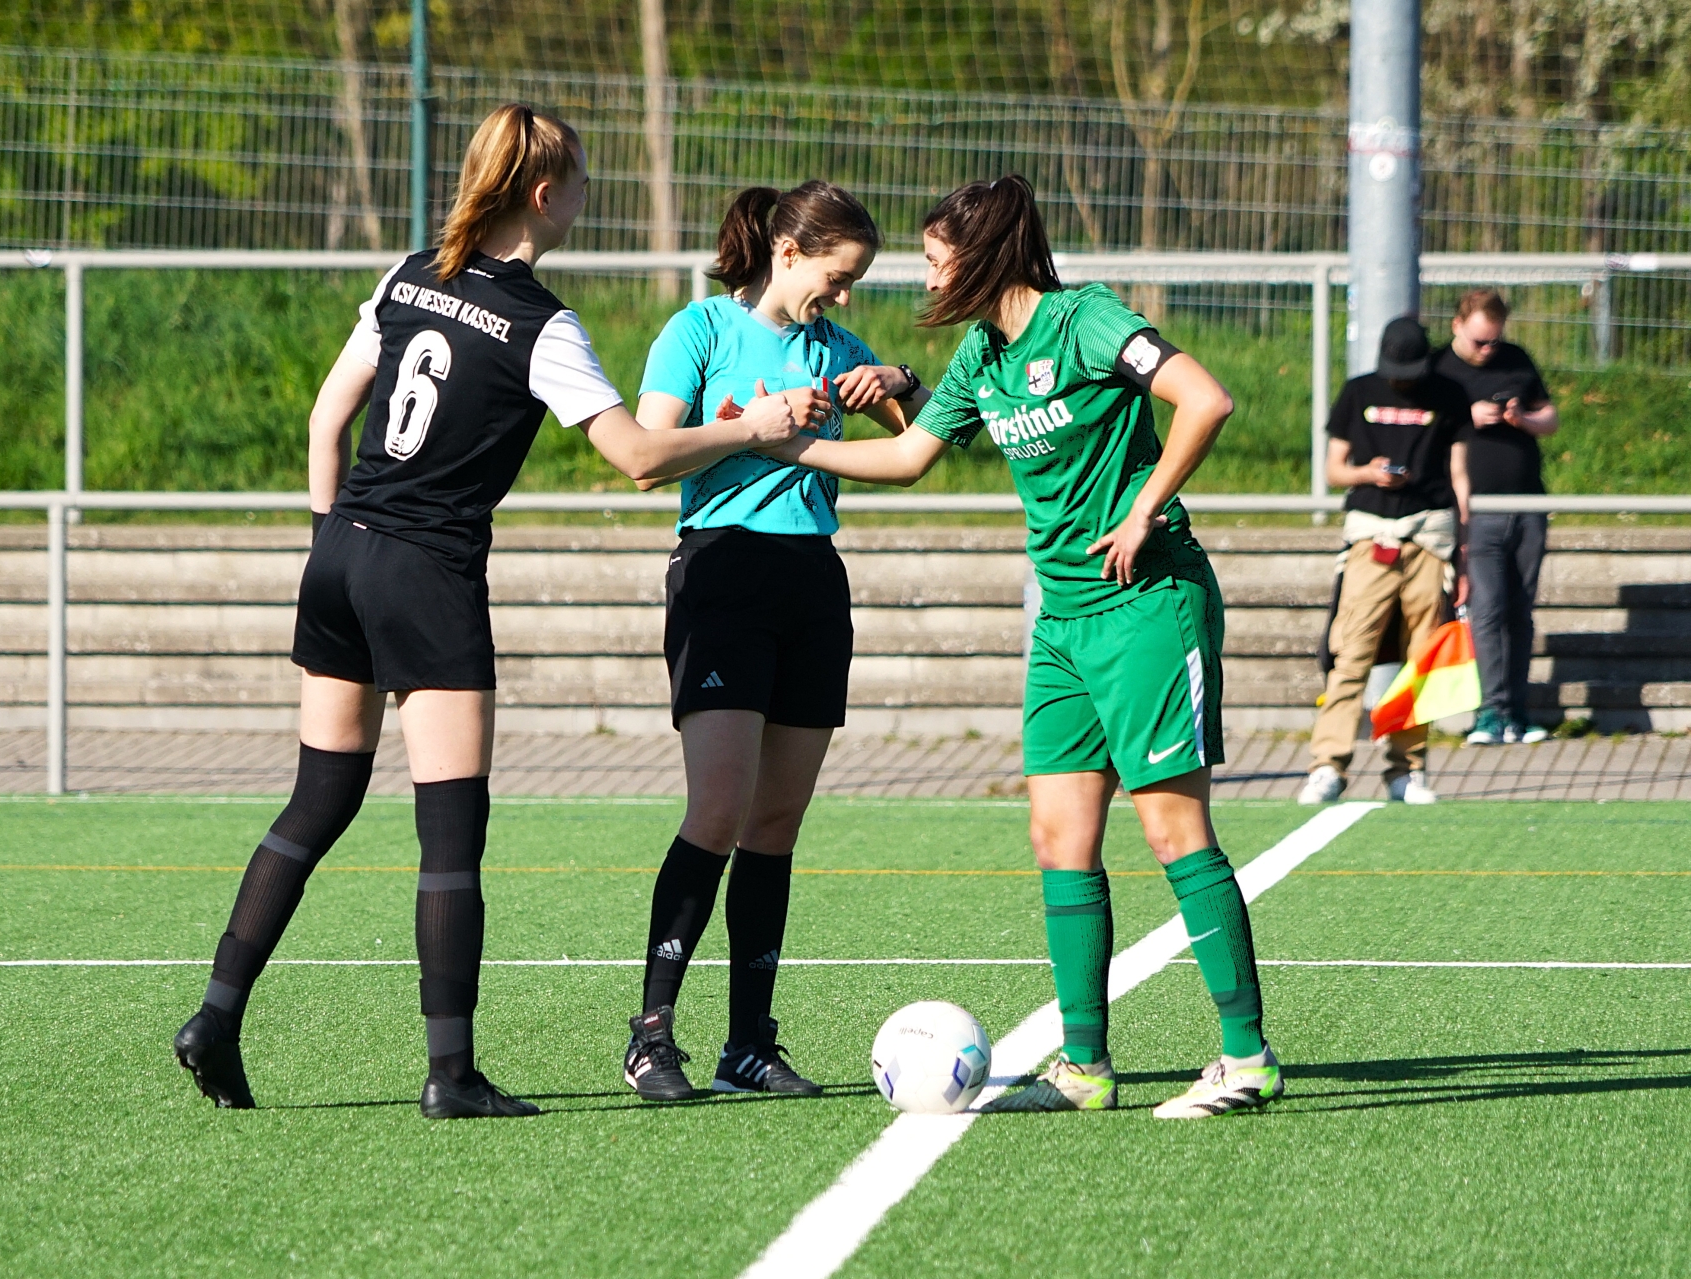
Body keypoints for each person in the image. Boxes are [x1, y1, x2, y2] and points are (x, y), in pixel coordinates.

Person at [170, 104, 824, 1119]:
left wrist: (331, 541)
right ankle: (452, 1074)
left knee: (317, 801)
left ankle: (215, 1016)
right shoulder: (541, 323)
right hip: (428, 574)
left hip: (339, 554)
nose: (589, 197)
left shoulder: (406, 275)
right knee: (450, 835)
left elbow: (326, 417)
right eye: (583, 181)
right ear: (544, 195)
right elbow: (637, 456)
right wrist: (758, 427)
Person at [765, 175, 1278, 1120]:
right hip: (1063, 625)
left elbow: (1206, 399)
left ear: (985, 254)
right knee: (1058, 836)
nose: (926, 278)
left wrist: (1144, 507)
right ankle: (1085, 1068)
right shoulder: (980, 355)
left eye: (936, 260)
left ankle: (1246, 1056)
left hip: (1146, 602)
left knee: (1173, 830)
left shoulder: (1084, 321)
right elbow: (909, 456)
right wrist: (781, 447)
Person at [619, 180, 929, 1102]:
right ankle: (650, 1036)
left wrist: (897, 383)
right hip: (722, 575)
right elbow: (647, 455)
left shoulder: (838, 346)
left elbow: (918, 441)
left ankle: (748, 1043)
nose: (845, 296)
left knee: (775, 825)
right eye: (839, 276)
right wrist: (749, 427)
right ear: (788, 253)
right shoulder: (701, 329)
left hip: (812, 582)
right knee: (717, 812)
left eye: (856, 281)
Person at [1299, 316, 1468, 806]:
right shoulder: (1358, 391)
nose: (1403, 382)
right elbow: (1334, 470)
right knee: (1350, 653)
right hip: (1370, 536)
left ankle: (1406, 770)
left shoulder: (1450, 394)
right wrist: (1368, 474)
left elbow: (1460, 475)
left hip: (1430, 538)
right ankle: (1327, 766)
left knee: (1421, 659)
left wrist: (1464, 549)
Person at [1436, 289, 1558, 746]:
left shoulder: (1516, 359)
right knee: (1485, 610)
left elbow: (1550, 418)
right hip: (1476, 509)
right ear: (1457, 325)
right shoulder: (1439, 370)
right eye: (1478, 341)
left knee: (1519, 611)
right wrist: (1467, 416)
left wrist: (1521, 418)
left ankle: (1517, 712)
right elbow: (1428, 433)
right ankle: (1489, 711)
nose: (1488, 349)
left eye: (1494, 340)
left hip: (1526, 504)